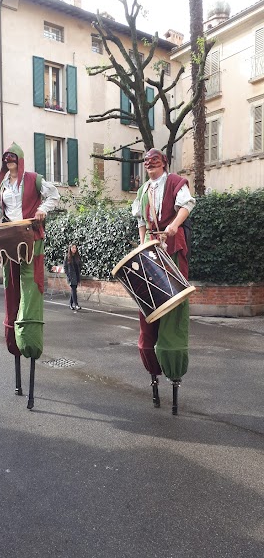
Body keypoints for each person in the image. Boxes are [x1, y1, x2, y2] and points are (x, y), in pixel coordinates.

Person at [0, 142, 60, 408]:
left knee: (31, 287)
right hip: (10, 238)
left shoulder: (34, 179)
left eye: (13, 160)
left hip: (30, 236)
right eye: (6, 160)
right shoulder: (2, 184)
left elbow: (53, 196)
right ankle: (13, 339)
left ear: (20, 160)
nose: (10, 164)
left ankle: (30, 338)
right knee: (12, 289)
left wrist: (43, 210)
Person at [131, 148, 195, 408]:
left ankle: (172, 362)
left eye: (154, 162)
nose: (150, 166)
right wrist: (141, 245)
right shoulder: (143, 190)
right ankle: (152, 366)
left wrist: (174, 226)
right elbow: (140, 221)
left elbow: (187, 205)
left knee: (172, 304)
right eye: (147, 163)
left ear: (164, 164)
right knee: (148, 305)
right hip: (151, 249)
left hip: (171, 246)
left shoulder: (175, 182)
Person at [63, 243, 82, 310]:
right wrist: (68, 275)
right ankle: (76, 304)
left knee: (73, 290)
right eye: (73, 248)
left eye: (75, 248)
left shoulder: (77, 256)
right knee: (74, 290)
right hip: (71, 276)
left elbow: (79, 265)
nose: (74, 249)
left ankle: (70, 304)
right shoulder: (67, 256)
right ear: (70, 249)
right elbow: (65, 267)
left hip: (76, 275)